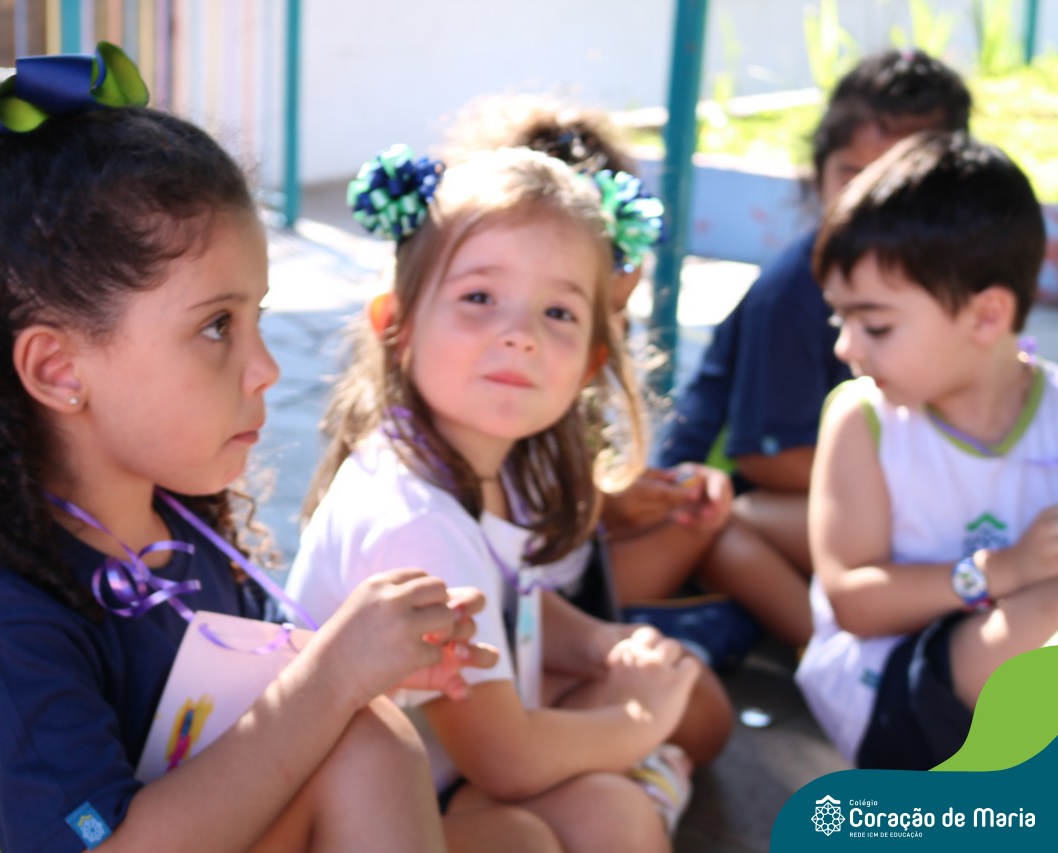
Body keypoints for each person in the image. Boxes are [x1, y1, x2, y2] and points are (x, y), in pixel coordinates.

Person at [0, 44, 503, 852]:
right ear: (58, 369)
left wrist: (367, 666)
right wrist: (334, 680)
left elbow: (236, 730)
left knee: (493, 820)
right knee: (365, 747)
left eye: (255, 318)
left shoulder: (182, 528)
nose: (266, 368)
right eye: (215, 326)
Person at [287, 144, 734, 852]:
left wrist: (599, 643)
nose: (520, 335)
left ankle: (648, 774)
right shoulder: (411, 519)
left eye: (557, 311)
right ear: (397, 323)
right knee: (603, 821)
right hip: (357, 821)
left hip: (441, 765)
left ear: (589, 360)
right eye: (479, 298)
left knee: (687, 704)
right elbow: (506, 757)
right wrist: (639, 719)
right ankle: (651, 776)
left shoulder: (501, 458)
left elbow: (507, 599)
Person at [438, 93, 778, 664]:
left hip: (564, 590)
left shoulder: (562, 390)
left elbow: (561, 514)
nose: (608, 336)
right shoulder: (492, 405)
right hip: (532, 615)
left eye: (613, 312)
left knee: (709, 525)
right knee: (693, 689)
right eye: (572, 310)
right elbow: (511, 589)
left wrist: (623, 500)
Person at [656, 49, 973, 647]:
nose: (872, 203)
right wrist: (914, 485)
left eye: (901, 182)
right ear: (818, 174)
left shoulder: (953, 284)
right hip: (740, 498)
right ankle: (837, 662)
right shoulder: (792, 295)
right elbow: (764, 460)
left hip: (869, 495)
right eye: (853, 176)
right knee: (727, 525)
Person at [797, 130, 1058, 770]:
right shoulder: (864, 420)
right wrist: (1007, 569)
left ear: (987, 317)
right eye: (840, 318)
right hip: (887, 695)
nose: (846, 347)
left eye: (875, 325)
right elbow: (854, 600)